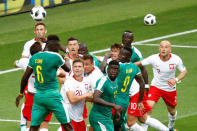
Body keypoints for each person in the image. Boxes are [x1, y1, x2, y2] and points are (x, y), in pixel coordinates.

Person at [15, 40, 72, 131]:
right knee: (67, 125)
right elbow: (68, 69)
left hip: (39, 98)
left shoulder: (33, 59)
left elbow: (25, 78)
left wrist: (21, 93)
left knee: (33, 127)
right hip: (53, 97)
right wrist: (66, 58)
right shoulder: (55, 56)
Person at [135, 40, 187, 131]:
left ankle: (171, 126)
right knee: (148, 109)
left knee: (172, 111)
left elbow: (184, 71)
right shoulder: (153, 58)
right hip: (156, 87)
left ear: (170, 49)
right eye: (161, 47)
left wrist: (176, 79)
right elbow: (139, 63)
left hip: (169, 89)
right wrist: (126, 66)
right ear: (159, 48)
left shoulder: (176, 59)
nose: (163, 49)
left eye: (166, 47)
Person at [14, 42, 53, 131]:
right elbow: (61, 73)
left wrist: (20, 94)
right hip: (46, 95)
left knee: (31, 122)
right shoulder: (48, 62)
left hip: (32, 96)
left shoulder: (25, 62)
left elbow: (15, 64)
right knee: (44, 123)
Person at [112, 47, 145, 131]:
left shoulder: (118, 67)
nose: (120, 56)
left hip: (115, 100)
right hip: (125, 101)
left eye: (123, 55)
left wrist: (105, 58)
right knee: (119, 123)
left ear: (128, 57)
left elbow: (103, 69)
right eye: (120, 53)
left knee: (113, 124)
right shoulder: (134, 67)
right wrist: (140, 101)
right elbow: (142, 83)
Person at [89, 60, 123, 131]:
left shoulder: (116, 80)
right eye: (111, 68)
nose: (113, 71)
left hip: (107, 118)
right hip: (98, 117)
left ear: (119, 71)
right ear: (108, 69)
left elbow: (113, 96)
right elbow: (95, 98)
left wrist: (117, 111)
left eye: (116, 69)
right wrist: (114, 106)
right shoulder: (103, 81)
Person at [60, 59, 93, 131]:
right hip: (69, 118)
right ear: (72, 68)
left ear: (83, 68)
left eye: (79, 66)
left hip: (79, 117)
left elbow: (90, 97)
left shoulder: (87, 81)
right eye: (75, 67)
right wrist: (86, 95)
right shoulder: (69, 82)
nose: (77, 68)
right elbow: (72, 99)